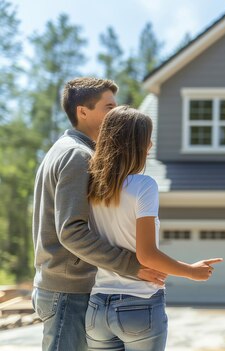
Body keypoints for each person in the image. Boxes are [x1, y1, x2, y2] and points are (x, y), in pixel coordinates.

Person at [32, 78, 168, 351]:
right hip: (68, 291)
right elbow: (72, 231)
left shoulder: (66, 149)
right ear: (83, 112)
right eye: (109, 107)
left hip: (64, 287)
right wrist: (133, 266)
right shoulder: (78, 156)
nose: (115, 113)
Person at [85, 105, 222, 350]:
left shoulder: (91, 187)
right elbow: (146, 255)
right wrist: (191, 271)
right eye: (146, 138)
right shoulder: (143, 186)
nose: (150, 145)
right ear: (134, 144)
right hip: (138, 304)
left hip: (97, 307)